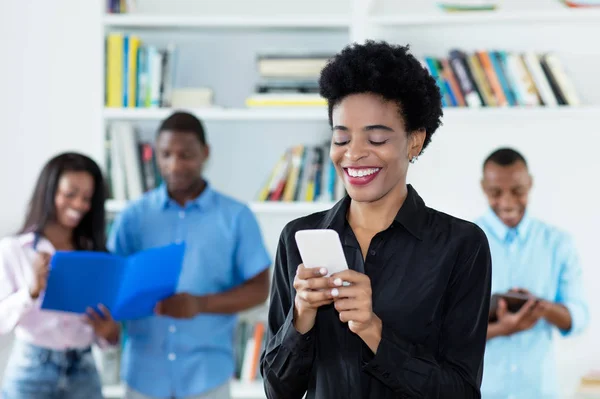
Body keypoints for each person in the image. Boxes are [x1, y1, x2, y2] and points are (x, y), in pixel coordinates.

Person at [260, 40, 492, 399]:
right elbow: (277, 391)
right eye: (341, 138)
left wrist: (372, 330)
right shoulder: (298, 238)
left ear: (415, 141)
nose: (353, 154)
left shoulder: (461, 245)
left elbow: (460, 391)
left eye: (377, 137)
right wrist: (301, 318)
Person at [107, 111, 271, 399]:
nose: (174, 165)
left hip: (207, 377)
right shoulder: (133, 217)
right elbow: (110, 285)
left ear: (205, 153)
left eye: (186, 155)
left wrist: (201, 303)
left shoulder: (236, 217)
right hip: (144, 378)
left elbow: (260, 288)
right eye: (165, 154)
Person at [0, 152, 120, 399]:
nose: (79, 205)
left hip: (83, 370)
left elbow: (108, 334)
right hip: (31, 370)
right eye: (70, 194)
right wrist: (31, 291)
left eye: (87, 198)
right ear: (49, 191)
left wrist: (109, 333)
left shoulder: (96, 254)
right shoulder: (14, 250)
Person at [477, 148, 589, 398]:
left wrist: (542, 307)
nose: (507, 202)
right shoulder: (463, 242)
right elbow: (446, 329)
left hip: (540, 391)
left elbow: (580, 317)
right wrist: (501, 329)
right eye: (496, 193)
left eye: (518, 191)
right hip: (482, 391)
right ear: (483, 188)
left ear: (530, 184)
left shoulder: (558, 243)